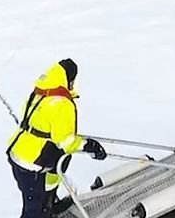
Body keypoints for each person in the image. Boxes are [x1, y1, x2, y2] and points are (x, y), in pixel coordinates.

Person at [6, 59, 107, 218]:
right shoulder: (62, 103)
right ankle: (44, 208)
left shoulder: (39, 93)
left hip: (20, 152)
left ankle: (50, 204)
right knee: (33, 211)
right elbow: (65, 141)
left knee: (55, 170)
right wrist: (89, 146)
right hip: (33, 164)